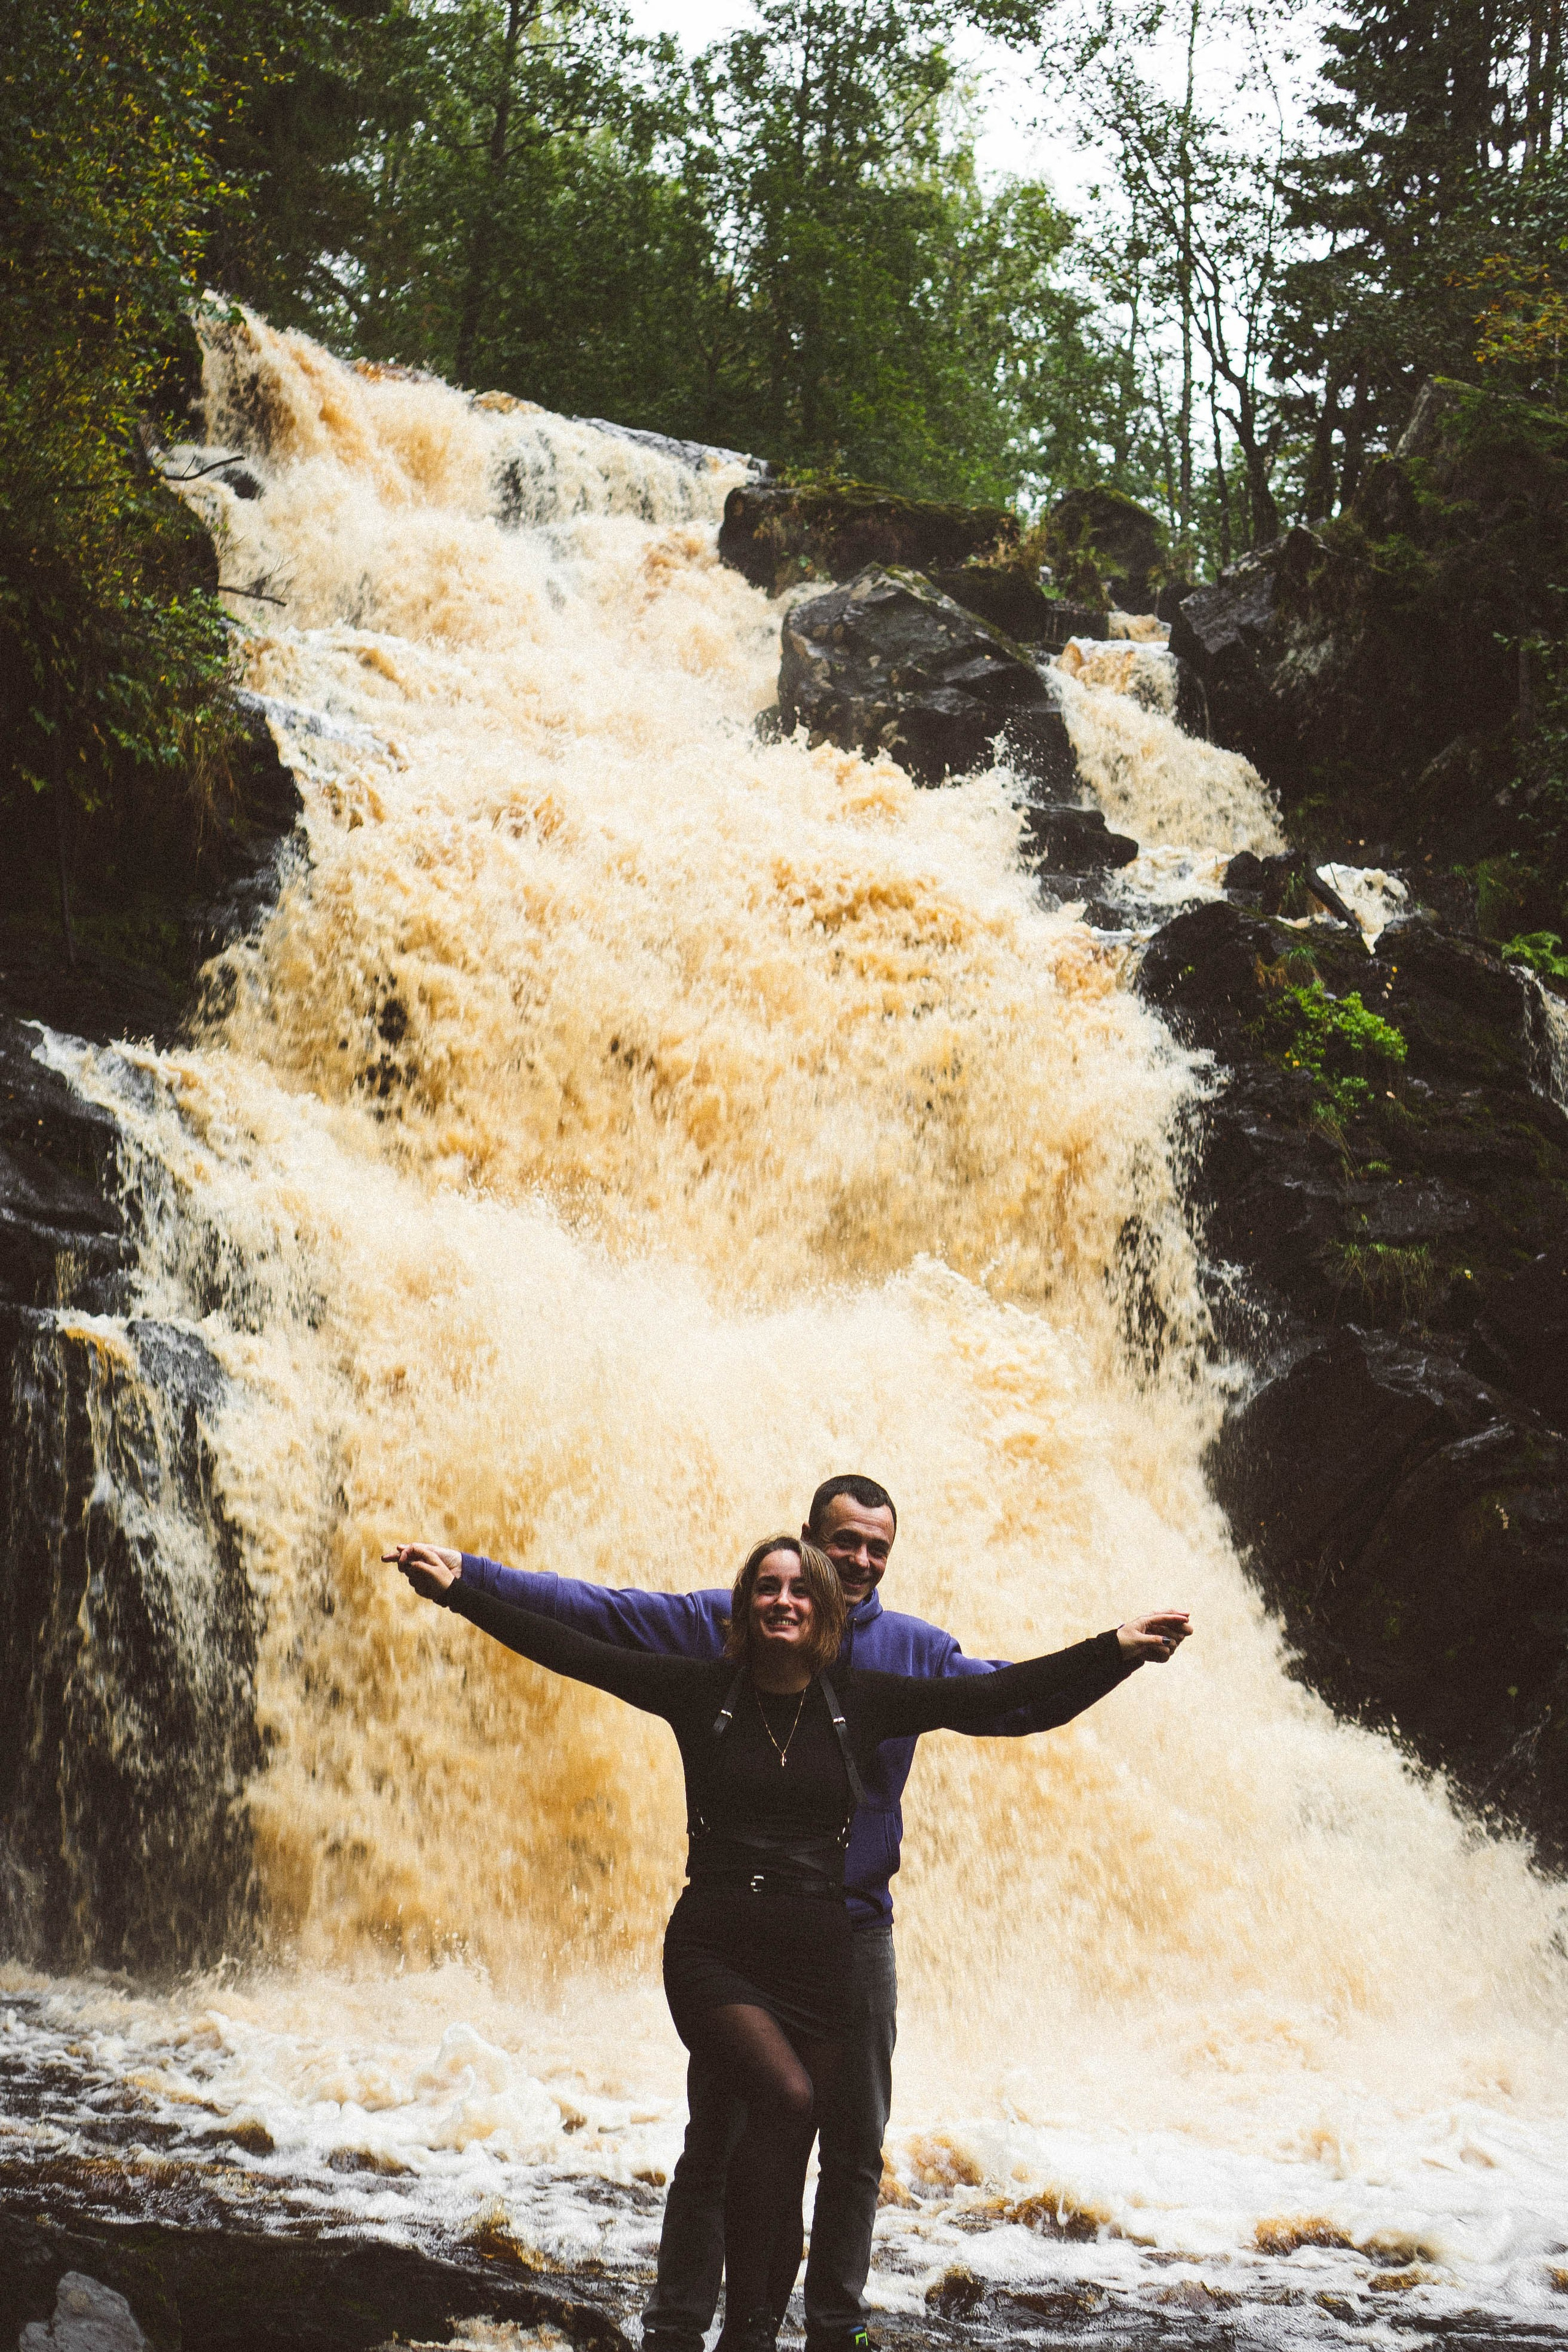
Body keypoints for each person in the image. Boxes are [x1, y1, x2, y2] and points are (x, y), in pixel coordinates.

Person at [388, 1487, 1191, 2352]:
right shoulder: (717, 1649)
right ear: (803, 1550)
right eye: (840, 1545)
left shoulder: (899, 1667)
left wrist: (1119, 1651)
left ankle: (822, 2328)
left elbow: (1012, 1697)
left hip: (844, 1943)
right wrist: (469, 1581)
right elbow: (592, 1628)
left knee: (846, 2144)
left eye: (876, 1549)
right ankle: (683, 2326)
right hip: (729, 1939)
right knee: (729, 2131)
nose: (855, 1564)